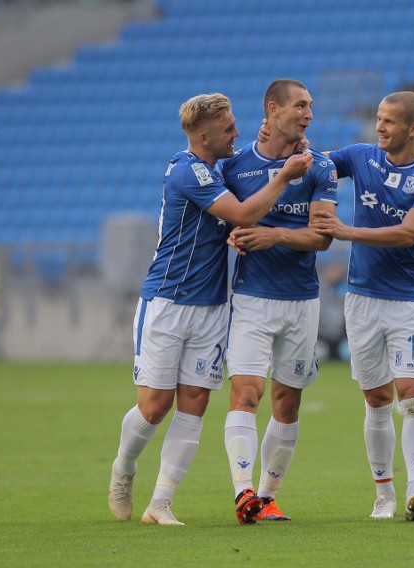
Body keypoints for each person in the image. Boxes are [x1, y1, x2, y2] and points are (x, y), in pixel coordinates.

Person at [107, 93, 312, 526]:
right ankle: (124, 467)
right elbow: (241, 213)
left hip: (212, 306)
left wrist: (274, 148)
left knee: (195, 402)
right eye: (228, 128)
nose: (236, 132)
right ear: (203, 136)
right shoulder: (188, 172)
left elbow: (239, 207)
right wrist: (284, 176)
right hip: (167, 302)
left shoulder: (218, 171)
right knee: (155, 405)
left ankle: (160, 504)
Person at [308, 91, 414, 522]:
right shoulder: (360, 157)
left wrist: (344, 232)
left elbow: (410, 232)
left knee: (413, 398)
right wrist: (282, 147)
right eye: (378, 119)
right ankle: (384, 495)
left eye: (390, 121)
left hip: (408, 303)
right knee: (376, 400)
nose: (380, 127)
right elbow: (314, 166)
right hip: (363, 300)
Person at [219, 79, 338, 524]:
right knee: (246, 393)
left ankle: (267, 496)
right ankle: (243, 492)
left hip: (301, 301)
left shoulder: (318, 167)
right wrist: (231, 233)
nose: (308, 113)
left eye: (311, 106)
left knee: (287, 403)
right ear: (272, 109)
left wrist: (273, 235)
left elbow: (322, 238)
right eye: (299, 105)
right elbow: (221, 217)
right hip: (251, 298)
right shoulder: (237, 166)